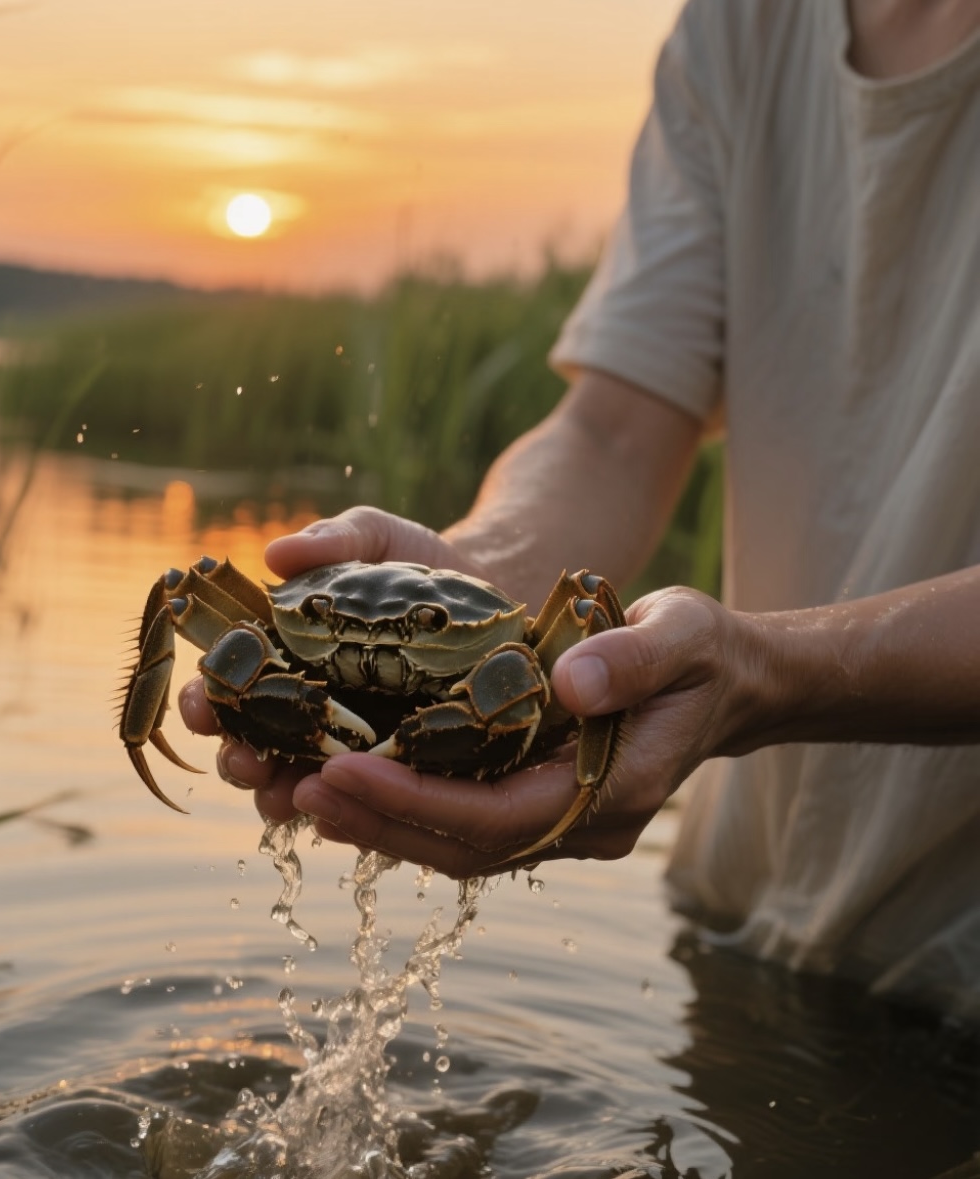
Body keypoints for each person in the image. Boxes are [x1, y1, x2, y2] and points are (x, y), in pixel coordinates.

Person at [180, 0, 980, 1017]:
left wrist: (767, 671)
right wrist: (483, 565)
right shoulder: (741, 26)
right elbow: (615, 427)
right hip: (740, 921)